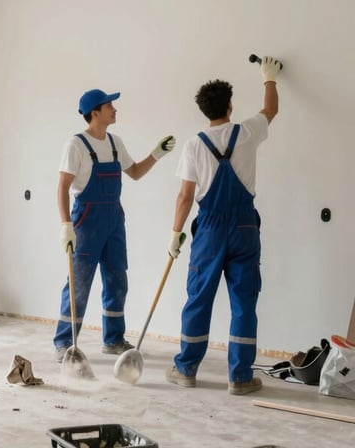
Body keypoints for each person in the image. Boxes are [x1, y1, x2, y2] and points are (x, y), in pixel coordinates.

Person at [165, 56, 281, 395]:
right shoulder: (246, 132)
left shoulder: (193, 145)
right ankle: (240, 377)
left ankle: (186, 369)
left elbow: (186, 197)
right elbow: (270, 109)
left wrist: (175, 234)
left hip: (210, 230)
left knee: (199, 298)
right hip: (244, 226)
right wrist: (269, 77)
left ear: (205, 111)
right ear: (230, 107)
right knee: (244, 301)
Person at [54, 88, 177, 362]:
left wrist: (156, 154)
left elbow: (134, 173)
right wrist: (66, 225)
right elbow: (62, 186)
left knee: (117, 280)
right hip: (86, 223)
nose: (115, 109)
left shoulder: (114, 142)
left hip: (113, 222)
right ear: (94, 112)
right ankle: (63, 342)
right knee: (79, 284)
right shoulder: (75, 145)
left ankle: (113, 339)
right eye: (109, 106)